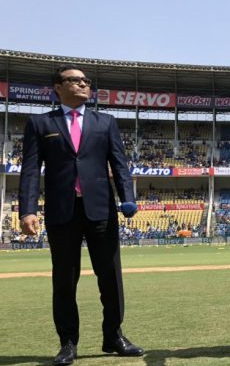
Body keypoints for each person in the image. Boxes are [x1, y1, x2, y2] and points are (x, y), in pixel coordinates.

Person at [18, 64, 143, 365]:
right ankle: (68, 343)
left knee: (110, 277)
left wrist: (128, 199)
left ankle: (114, 336)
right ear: (57, 87)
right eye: (74, 80)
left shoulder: (106, 122)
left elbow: (120, 165)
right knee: (64, 279)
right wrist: (27, 210)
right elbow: (31, 170)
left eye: (86, 81)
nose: (83, 84)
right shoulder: (39, 123)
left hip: (101, 209)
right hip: (62, 211)